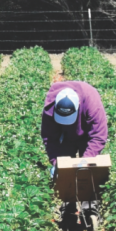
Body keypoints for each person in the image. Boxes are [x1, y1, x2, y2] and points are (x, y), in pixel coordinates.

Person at [41, 81, 108, 221]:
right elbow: (49, 137)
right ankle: (68, 203)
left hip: (86, 132)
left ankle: (89, 204)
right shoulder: (50, 108)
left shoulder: (92, 104)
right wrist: (56, 162)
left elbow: (98, 136)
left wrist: (86, 160)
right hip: (64, 135)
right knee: (65, 168)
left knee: (88, 170)